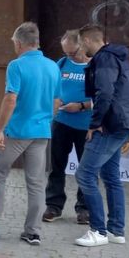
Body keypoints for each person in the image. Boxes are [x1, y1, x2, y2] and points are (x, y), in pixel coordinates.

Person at [0, 22, 61, 246]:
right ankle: (33, 231)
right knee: (36, 182)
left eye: (13, 43)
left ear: (19, 43)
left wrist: (0, 129)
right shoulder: (53, 66)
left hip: (17, 131)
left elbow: (11, 98)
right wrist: (46, 121)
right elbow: (57, 101)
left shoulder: (16, 65)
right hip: (41, 132)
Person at [74, 24, 129, 246]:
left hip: (112, 124)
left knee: (85, 174)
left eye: (79, 43)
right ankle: (116, 230)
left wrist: (95, 123)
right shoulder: (118, 57)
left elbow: (104, 92)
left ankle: (98, 231)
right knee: (111, 175)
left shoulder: (104, 59)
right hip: (126, 122)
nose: (79, 48)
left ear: (86, 41)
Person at [43, 30, 92, 225]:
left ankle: (85, 208)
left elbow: (104, 97)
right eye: (67, 53)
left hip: (86, 125)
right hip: (61, 122)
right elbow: (53, 89)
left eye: (73, 52)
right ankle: (54, 206)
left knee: (86, 169)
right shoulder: (61, 64)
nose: (70, 56)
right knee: (57, 166)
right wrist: (58, 101)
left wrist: (81, 106)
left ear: (83, 45)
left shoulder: (93, 66)